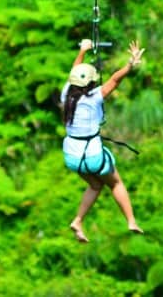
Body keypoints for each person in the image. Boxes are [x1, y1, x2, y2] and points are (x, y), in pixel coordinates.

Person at [61, 38, 145, 242]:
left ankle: (78, 220)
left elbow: (75, 71)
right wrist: (130, 65)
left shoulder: (66, 95)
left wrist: (82, 50)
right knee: (115, 184)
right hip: (92, 155)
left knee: (95, 186)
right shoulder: (95, 97)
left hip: (72, 157)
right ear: (91, 82)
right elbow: (115, 80)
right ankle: (131, 221)